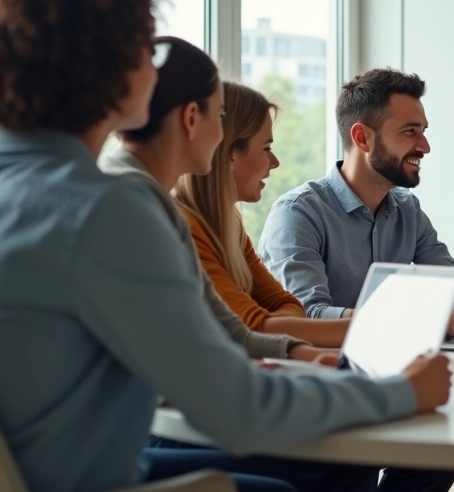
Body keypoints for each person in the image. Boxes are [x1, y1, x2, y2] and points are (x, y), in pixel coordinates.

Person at [0, 0, 451, 492]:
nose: (153, 69)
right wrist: (399, 392)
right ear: (110, 67)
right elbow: (236, 410)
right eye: (142, 49)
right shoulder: (103, 211)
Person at [102, 36, 333, 364]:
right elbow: (236, 333)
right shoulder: (143, 212)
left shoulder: (176, 212)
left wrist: (298, 350)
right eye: (219, 115)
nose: (220, 134)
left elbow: (242, 326)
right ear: (192, 117)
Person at [261, 68, 454, 339]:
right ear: (362, 138)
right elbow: (309, 315)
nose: (425, 146)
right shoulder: (297, 213)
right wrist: (438, 321)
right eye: (410, 131)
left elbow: (452, 284)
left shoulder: (407, 209)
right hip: (320, 370)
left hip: (389, 362)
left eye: (423, 131)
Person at [176, 82, 349, 349]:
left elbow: (287, 305)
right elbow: (253, 328)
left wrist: (273, 324)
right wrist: (379, 325)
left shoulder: (229, 226)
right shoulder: (184, 227)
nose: (275, 162)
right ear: (231, 154)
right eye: (266, 148)